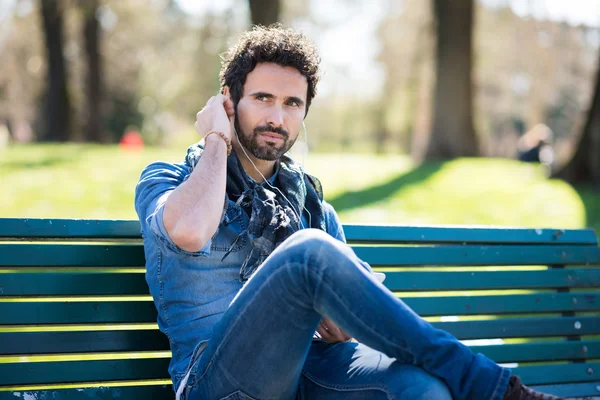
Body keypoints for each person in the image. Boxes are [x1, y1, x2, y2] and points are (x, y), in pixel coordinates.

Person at [135, 25, 562, 400]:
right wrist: (216, 137)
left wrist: (342, 326)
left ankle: (474, 383)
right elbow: (190, 231)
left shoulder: (311, 205)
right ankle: (490, 385)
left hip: (314, 372)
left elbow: (349, 325)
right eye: (262, 98)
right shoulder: (170, 180)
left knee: (422, 389)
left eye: (292, 103)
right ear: (227, 100)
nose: (277, 117)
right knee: (308, 252)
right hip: (222, 385)